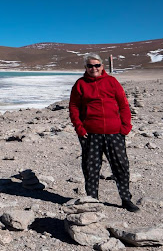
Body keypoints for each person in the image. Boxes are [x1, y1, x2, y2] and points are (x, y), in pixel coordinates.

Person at [69, 53, 140, 212]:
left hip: (114, 133)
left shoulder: (112, 82)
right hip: (90, 134)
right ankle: (92, 200)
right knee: (91, 168)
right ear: (86, 67)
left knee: (121, 165)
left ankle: (126, 199)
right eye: (90, 66)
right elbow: (73, 107)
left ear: (102, 66)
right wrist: (79, 128)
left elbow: (123, 105)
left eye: (97, 65)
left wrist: (125, 126)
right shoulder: (80, 84)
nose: (93, 68)